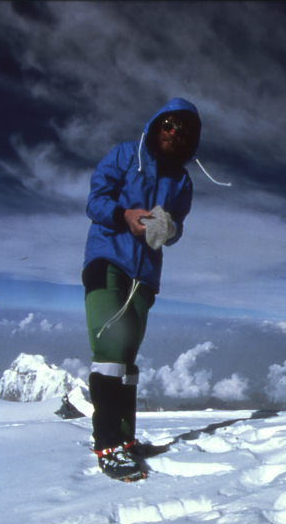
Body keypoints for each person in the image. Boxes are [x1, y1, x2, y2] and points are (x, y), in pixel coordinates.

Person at [82, 98, 206, 480]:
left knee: (129, 359)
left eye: (182, 129)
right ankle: (106, 445)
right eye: (168, 124)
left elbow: (177, 229)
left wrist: (169, 230)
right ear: (156, 126)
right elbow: (96, 201)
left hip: (145, 276)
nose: (174, 132)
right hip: (107, 260)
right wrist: (125, 216)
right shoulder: (123, 156)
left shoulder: (181, 181)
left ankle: (126, 439)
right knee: (109, 348)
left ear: (190, 140)